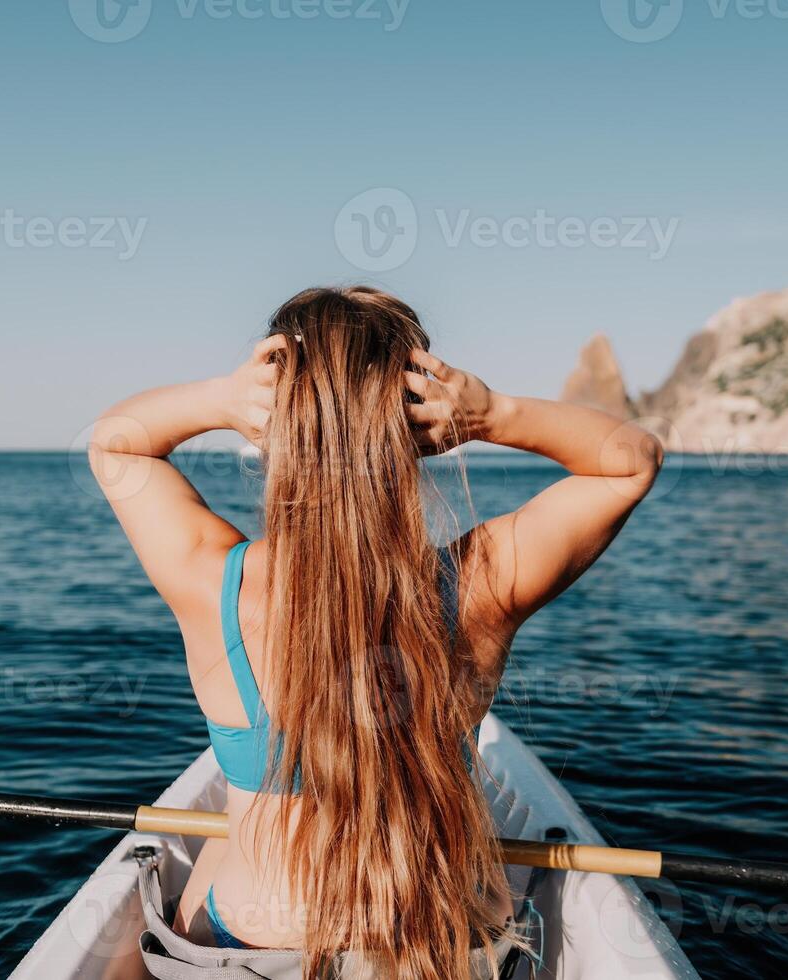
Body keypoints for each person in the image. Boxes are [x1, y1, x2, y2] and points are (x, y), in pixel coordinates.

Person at [89, 286, 662, 979]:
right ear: (418, 423)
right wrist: (492, 415)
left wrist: (218, 401)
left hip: (251, 948)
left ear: (275, 418)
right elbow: (629, 460)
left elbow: (117, 446)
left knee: (211, 863)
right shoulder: (482, 585)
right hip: (436, 951)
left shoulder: (214, 581)